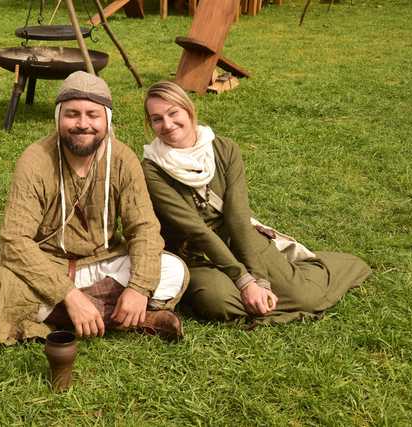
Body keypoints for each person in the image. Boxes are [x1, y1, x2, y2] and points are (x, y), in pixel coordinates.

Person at [0, 72, 188, 346]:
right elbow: (14, 240)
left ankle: (61, 320)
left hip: (103, 263)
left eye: (92, 114)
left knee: (173, 268)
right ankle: (124, 318)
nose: (83, 124)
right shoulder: (36, 160)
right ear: (58, 117)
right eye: (72, 114)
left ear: (107, 119)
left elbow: (144, 228)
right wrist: (69, 295)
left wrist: (139, 288)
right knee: (6, 281)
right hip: (50, 265)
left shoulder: (122, 159)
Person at [141, 80, 370, 324]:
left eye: (173, 113)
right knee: (217, 301)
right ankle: (268, 299)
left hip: (241, 239)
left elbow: (237, 217)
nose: (167, 124)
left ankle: (322, 271)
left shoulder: (225, 149)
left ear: (189, 110)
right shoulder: (151, 169)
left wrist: (258, 278)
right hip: (197, 254)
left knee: (305, 295)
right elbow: (195, 231)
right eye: (157, 119)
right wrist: (244, 281)